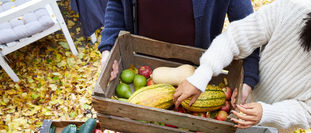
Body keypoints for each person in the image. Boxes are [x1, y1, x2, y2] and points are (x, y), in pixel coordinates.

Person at [173, 0, 311, 133]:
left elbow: (310, 112)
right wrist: (202, 75)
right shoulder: (292, 9)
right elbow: (234, 39)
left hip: (268, 125)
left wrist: (266, 113)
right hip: (231, 98)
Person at [98, 0, 260, 103]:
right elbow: (117, 4)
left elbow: (248, 29)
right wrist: (108, 48)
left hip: (196, 80)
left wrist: (248, 77)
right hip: (141, 75)